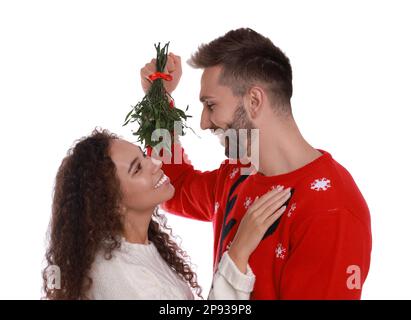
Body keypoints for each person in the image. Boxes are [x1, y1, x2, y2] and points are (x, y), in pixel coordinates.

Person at [140, 28, 372, 299]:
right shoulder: (240, 171)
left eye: (211, 105)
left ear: (254, 101)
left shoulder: (331, 210)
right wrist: (157, 100)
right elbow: (173, 186)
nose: (203, 123)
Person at [42, 129, 290, 299]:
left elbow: (177, 178)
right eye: (138, 168)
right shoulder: (117, 275)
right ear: (112, 202)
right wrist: (238, 252)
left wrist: (159, 95)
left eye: (143, 154)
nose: (156, 163)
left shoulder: (138, 246)